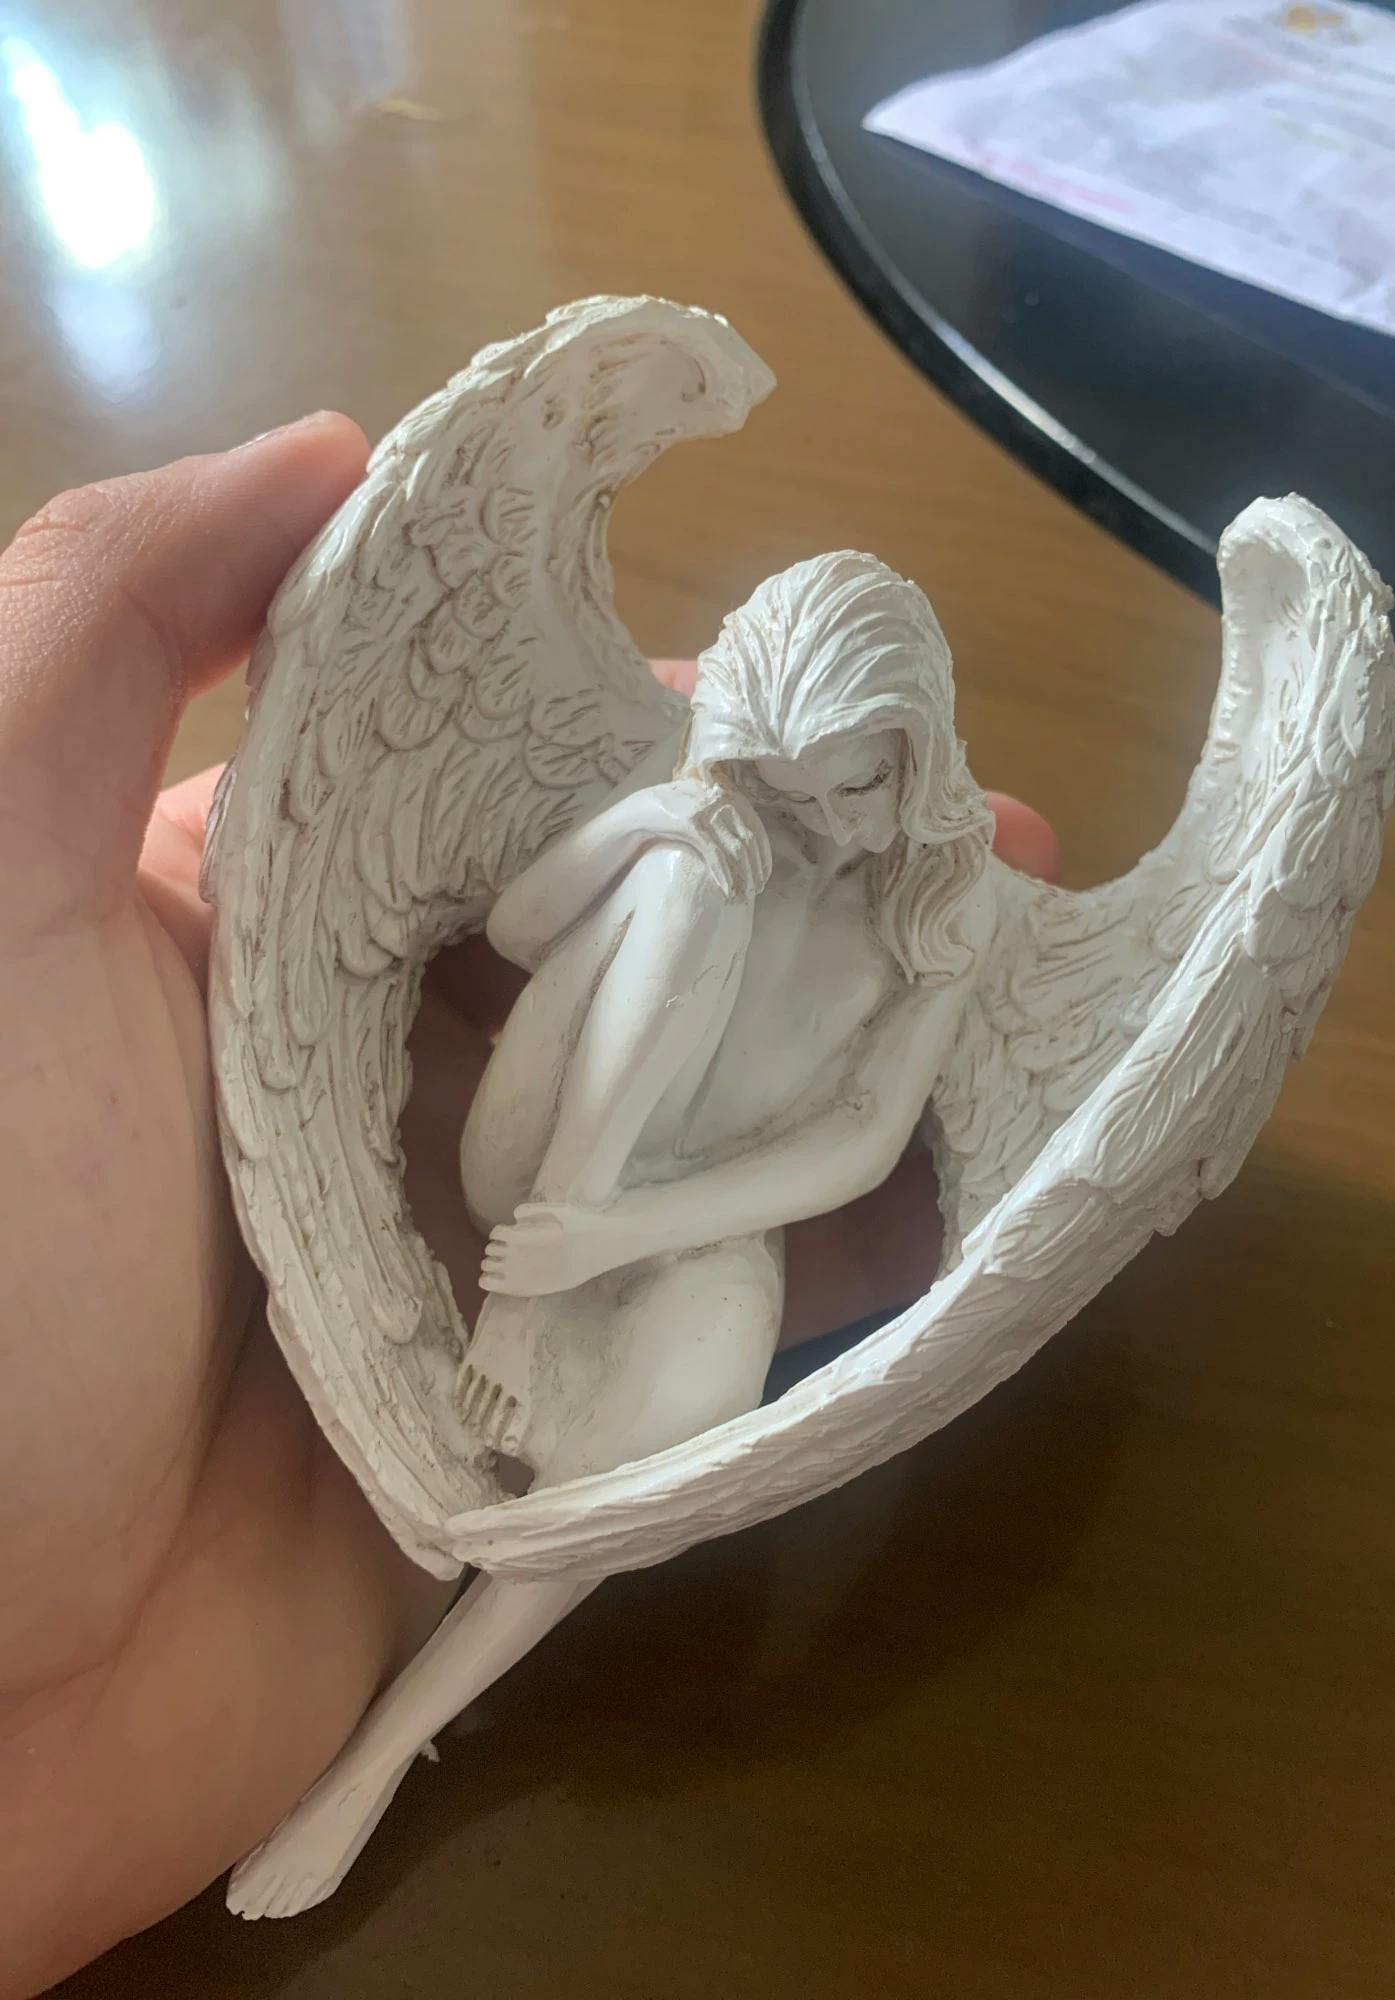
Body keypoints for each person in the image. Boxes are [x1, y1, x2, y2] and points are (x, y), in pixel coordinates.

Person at [0, 418, 1060, 1991]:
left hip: (699, 1217)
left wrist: (629, 1236)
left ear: (912, 755)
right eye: (784, 791)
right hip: (535, 1157)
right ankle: (521, 1301)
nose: (824, 828)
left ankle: (377, 1756)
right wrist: (648, 820)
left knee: (644, 1473)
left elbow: (854, 1147)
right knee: (695, 884)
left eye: (852, 789)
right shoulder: (713, 826)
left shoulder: (946, 910)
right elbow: (516, 928)